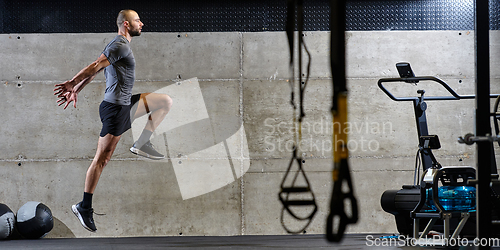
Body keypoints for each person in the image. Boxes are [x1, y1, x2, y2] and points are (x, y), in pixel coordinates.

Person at [54, 9, 173, 232]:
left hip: (124, 105)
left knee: (164, 101)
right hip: (116, 110)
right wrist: (72, 83)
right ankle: (84, 207)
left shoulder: (118, 46)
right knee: (102, 159)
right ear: (126, 24)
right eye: (138, 20)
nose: (142, 23)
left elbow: (96, 69)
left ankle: (142, 143)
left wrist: (77, 88)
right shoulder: (120, 45)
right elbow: (95, 66)